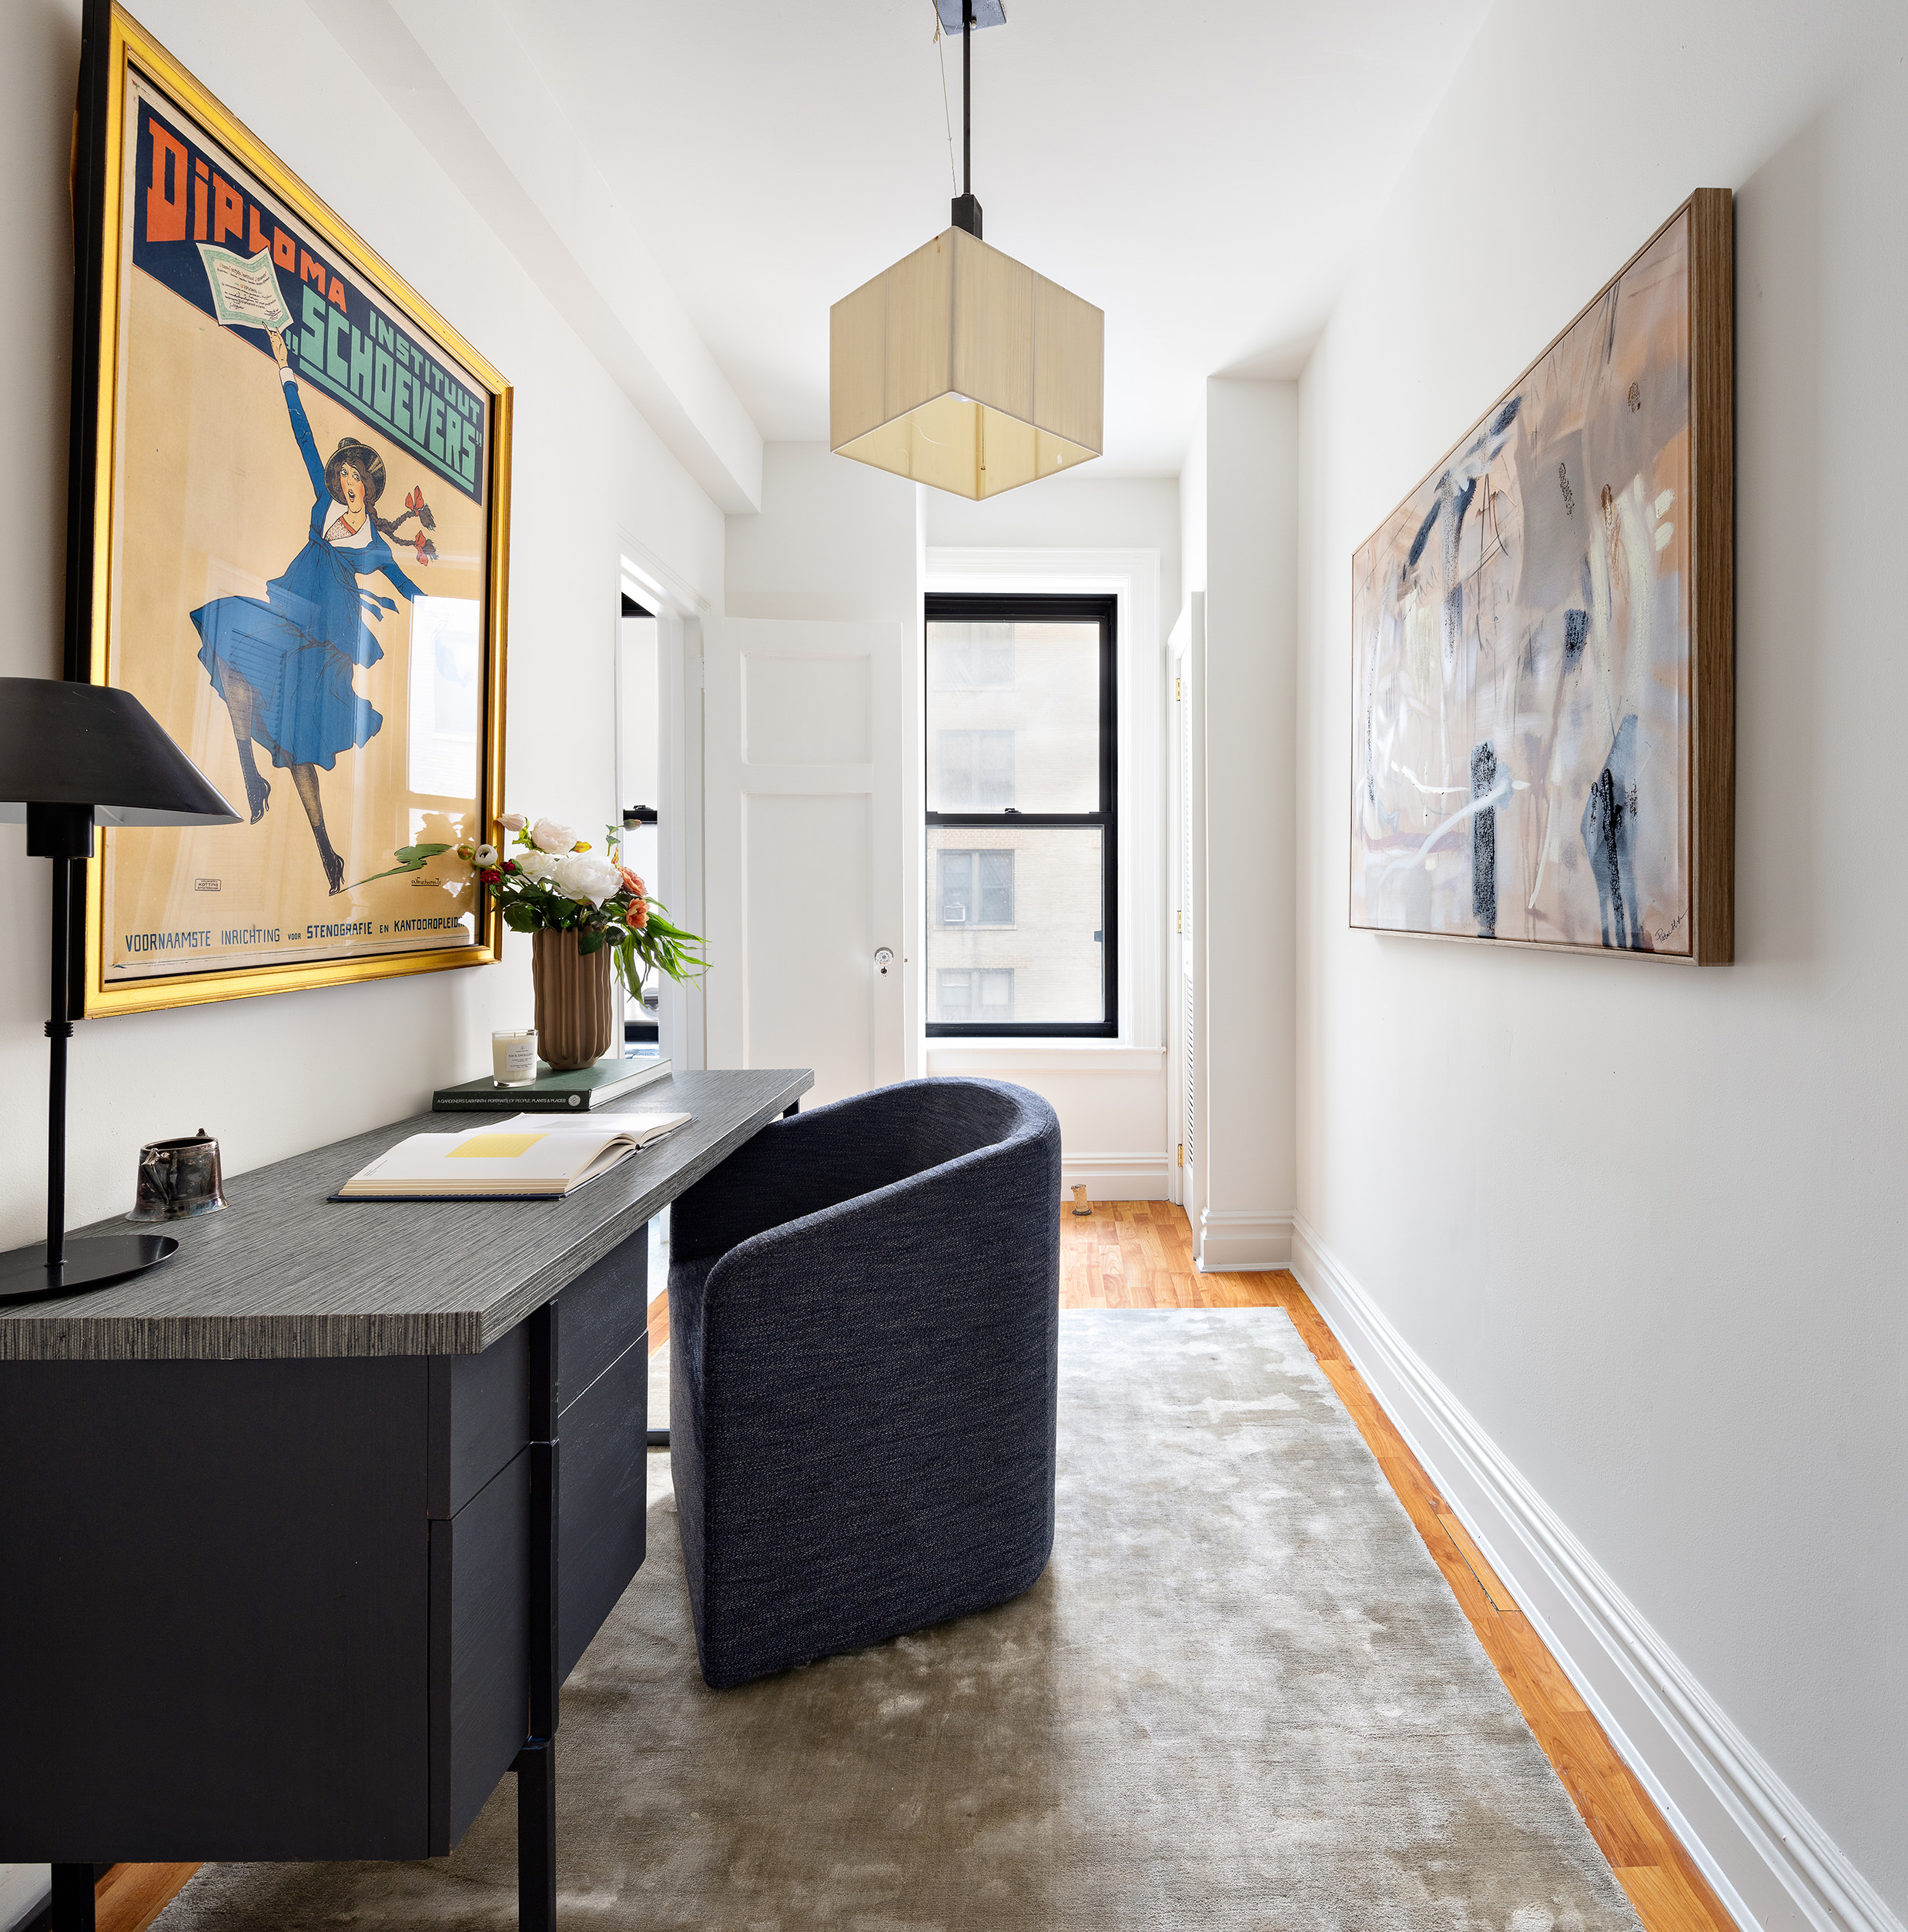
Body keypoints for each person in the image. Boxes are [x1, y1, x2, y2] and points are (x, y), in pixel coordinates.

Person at [191, 330, 433, 894]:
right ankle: (253, 779)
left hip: (322, 639)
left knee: (298, 741)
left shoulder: (373, 541)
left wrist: (450, 624)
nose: (350, 484)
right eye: (345, 474)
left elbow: (404, 584)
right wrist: (285, 368)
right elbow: (301, 433)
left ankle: (325, 848)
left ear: (372, 490)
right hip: (288, 614)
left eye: (360, 479)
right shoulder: (323, 504)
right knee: (227, 640)